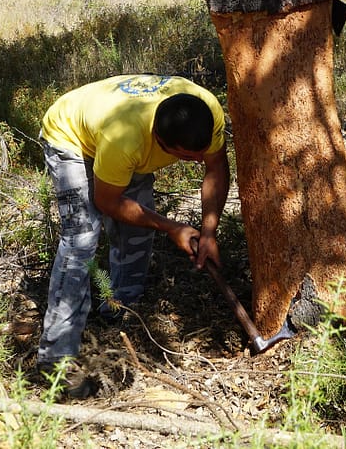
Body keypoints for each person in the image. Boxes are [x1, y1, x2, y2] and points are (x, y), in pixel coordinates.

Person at [35, 74, 230, 395]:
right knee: (81, 241)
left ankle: (119, 308)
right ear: (159, 140)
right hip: (70, 136)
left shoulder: (205, 109)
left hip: (123, 136)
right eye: (185, 156)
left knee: (136, 230)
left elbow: (215, 167)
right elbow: (107, 201)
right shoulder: (124, 140)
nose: (196, 160)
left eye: (199, 153)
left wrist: (209, 231)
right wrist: (172, 227)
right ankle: (55, 361)